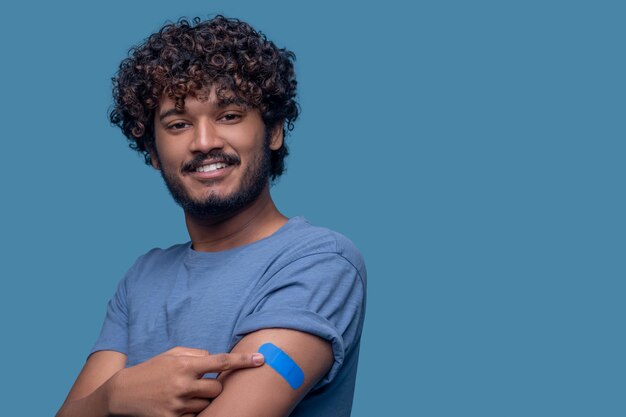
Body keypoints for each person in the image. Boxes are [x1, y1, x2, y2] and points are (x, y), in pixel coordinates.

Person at [56, 15, 366, 417]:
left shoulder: (319, 262)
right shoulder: (142, 277)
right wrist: (112, 397)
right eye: (179, 124)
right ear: (152, 151)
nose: (204, 143)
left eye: (229, 116)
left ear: (273, 132)